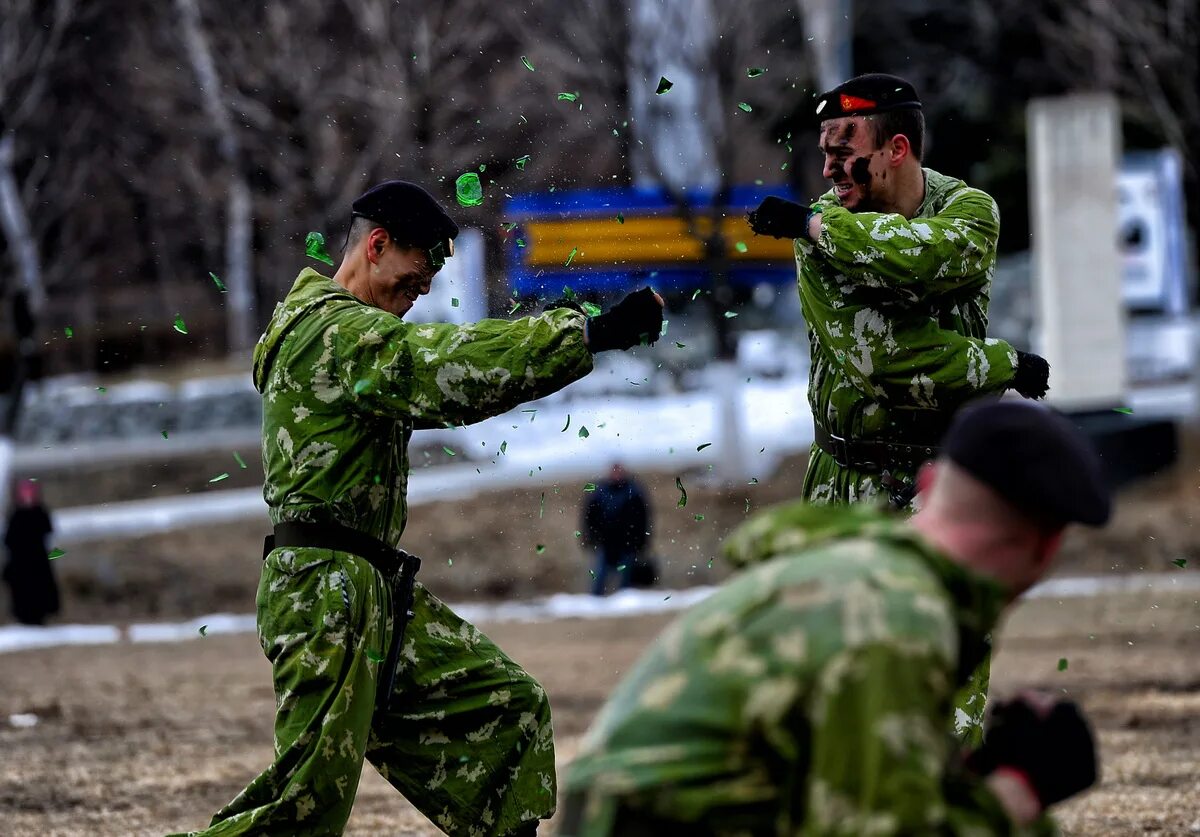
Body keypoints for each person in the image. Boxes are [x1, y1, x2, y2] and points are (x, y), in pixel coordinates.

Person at [172, 180, 664, 837]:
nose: (424, 289)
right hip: (326, 590)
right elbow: (441, 372)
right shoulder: (334, 335)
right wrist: (590, 334)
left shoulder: (351, 335)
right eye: (416, 272)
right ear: (377, 246)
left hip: (375, 588)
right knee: (304, 807)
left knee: (506, 709)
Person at [560, 399, 1110, 836]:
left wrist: (967, 780)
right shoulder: (894, 618)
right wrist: (1017, 794)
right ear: (1047, 545)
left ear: (925, 485)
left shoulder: (860, 576)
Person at [748, 73, 1051, 508]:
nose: (828, 170)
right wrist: (1005, 363)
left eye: (844, 154)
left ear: (897, 149)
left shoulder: (968, 211)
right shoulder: (818, 232)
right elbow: (885, 362)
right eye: (826, 154)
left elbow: (918, 261)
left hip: (946, 481)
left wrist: (818, 228)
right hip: (846, 490)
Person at [581, 463, 652, 596]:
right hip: (605, 542)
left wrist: (641, 540)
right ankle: (595, 602)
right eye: (614, 472)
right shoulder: (599, 492)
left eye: (619, 472)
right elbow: (589, 517)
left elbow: (642, 518)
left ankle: (624, 602)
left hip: (628, 543)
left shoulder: (633, 491)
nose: (616, 475)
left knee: (626, 576)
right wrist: (589, 537)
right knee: (600, 576)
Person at [2, 478, 60, 626]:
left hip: (38, 561)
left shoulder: (40, 512)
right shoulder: (15, 514)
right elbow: (8, 539)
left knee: (40, 591)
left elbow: (49, 532)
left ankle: (40, 616)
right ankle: (24, 618)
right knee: (23, 593)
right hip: (21, 563)